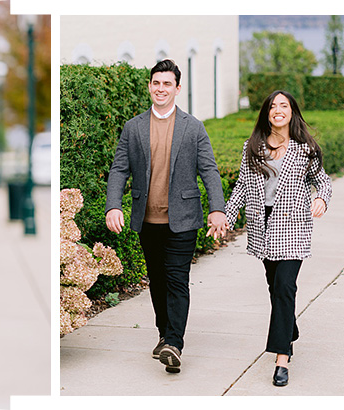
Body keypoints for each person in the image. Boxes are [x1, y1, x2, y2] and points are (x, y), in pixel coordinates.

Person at [104, 59, 227, 374]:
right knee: (157, 281)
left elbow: (209, 170)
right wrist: (113, 205)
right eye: (156, 83)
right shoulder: (134, 127)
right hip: (147, 220)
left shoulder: (193, 126)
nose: (161, 89)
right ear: (149, 86)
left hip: (183, 220)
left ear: (177, 88)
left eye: (167, 84)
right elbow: (120, 169)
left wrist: (217, 209)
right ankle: (164, 333)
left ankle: (174, 343)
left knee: (176, 280)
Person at [220, 90, 331, 387]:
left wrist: (320, 198)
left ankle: (282, 356)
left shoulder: (305, 148)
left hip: (293, 228)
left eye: (283, 105)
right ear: (266, 113)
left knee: (284, 286)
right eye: (272, 106)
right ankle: (288, 327)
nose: (277, 110)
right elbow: (242, 186)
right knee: (276, 289)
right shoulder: (252, 147)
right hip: (263, 228)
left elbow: (322, 182)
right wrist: (228, 217)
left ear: (292, 112)